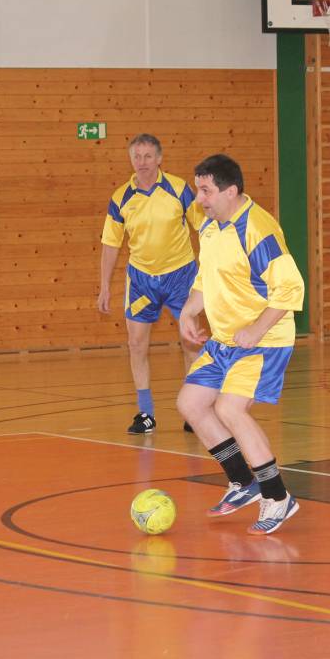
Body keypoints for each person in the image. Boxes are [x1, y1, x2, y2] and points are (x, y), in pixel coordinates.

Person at [176, 155, 305, 535]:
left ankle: (277, 496)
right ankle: (243, 482)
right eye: (198, 190)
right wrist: (189, 311)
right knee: (191, 403)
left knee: (230, 409)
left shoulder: (258, 230)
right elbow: (207, 277)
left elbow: (291, 289)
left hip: (264, 341)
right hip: (225, 340)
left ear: (230, 191)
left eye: (206, 191)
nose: (199, 199)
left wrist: (257, 329)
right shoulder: (210, 225)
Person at [98, 134, 204, 434]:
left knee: (190, 341)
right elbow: (110, 244)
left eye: (147, 156)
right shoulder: (121, 198)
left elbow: (205, 227)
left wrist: (211, 270)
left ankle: (194, 410)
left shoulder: (179, 189)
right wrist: (104, 285)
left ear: (159, 159)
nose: (142, 162)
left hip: (180, 277)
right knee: (136, 344)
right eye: (137, 156)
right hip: (141, 280)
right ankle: (145, 414)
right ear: (130, 159)